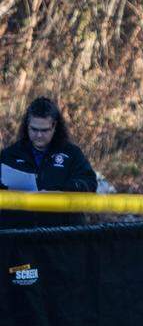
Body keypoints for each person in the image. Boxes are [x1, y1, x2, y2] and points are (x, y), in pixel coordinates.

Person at [0, 96, 97, 229]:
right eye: (34, 129)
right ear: (27, 127)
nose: (39, 135)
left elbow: (89, 184)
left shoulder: (71, 154)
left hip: (61, 236)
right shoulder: (10, 155)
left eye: (44, 130)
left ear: (54, 127)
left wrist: (59, 192)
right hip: (19, 236)